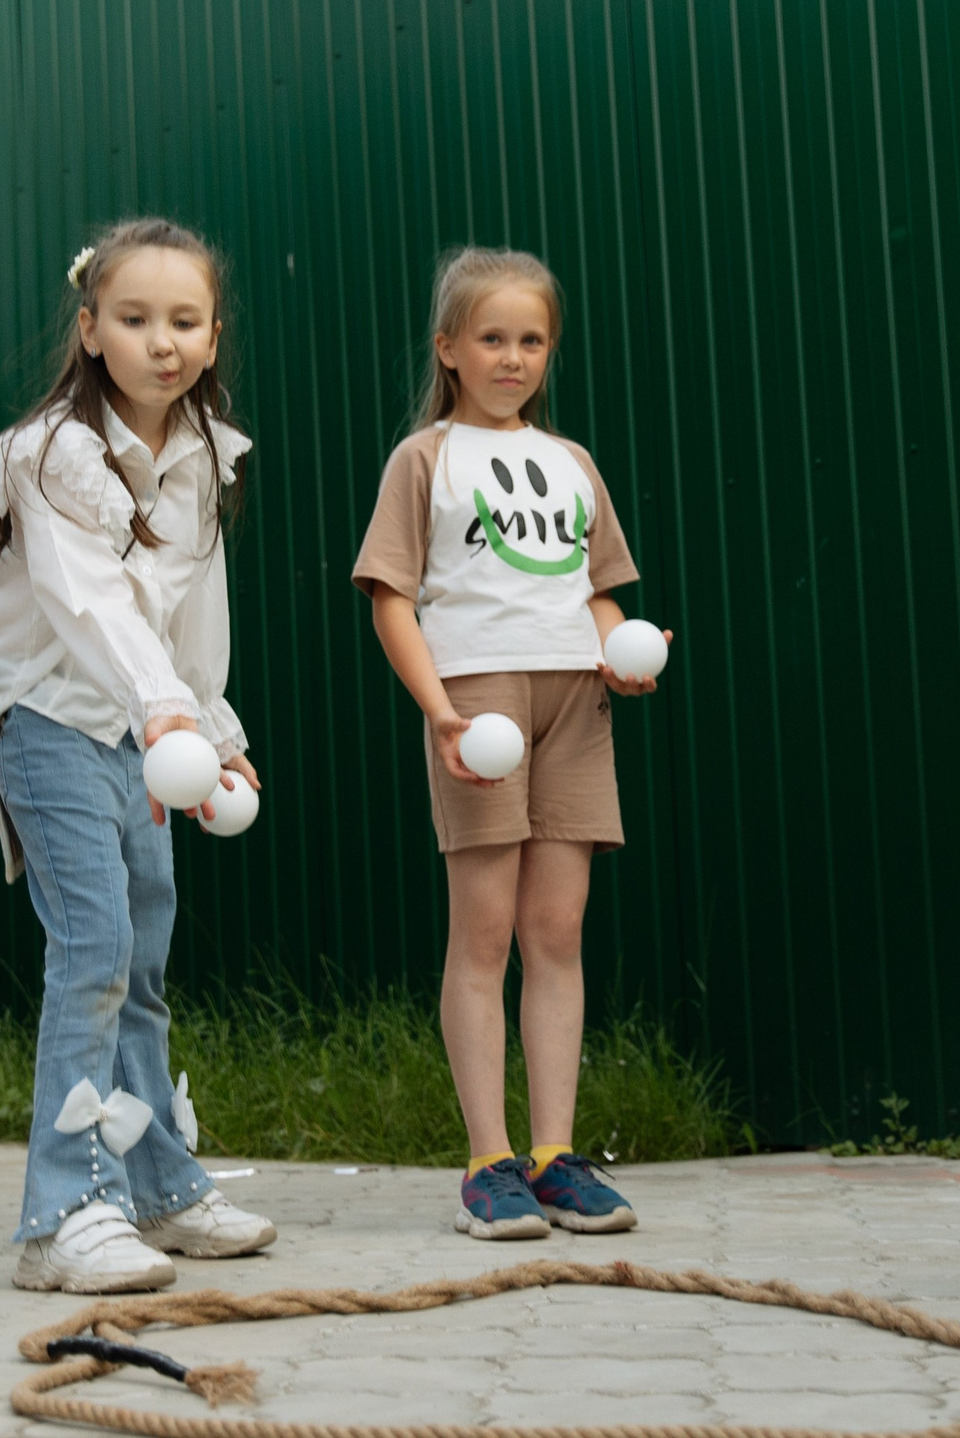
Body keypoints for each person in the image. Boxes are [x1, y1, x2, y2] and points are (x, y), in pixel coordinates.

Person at [0, 218, 276, 1295]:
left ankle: (155, 1186)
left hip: (149, 739)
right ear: (90, 326)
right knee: (94, 955)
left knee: (141, 968)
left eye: (184, 321)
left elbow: (195, 612)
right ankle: (59, 1215)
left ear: (212, 332)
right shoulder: (49, 453)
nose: (163, 341)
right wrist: (167, 716)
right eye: (136, 318)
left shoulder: (201, 452)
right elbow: (89, 605)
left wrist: (213, 729)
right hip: (50, 726)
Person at [351, 247, 667, 1242]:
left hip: (577, 700)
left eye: (531, 340)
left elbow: (597, 590)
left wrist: (626, 655)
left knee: (558, 932)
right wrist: (438, 708)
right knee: (483, 934)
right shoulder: (425, 458)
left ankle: (554, 1156)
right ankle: (488, 1162)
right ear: (447, 348)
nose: (512, 357)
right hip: (479, 706)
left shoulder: (572, 462)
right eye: (491, 338)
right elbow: (390, 598)